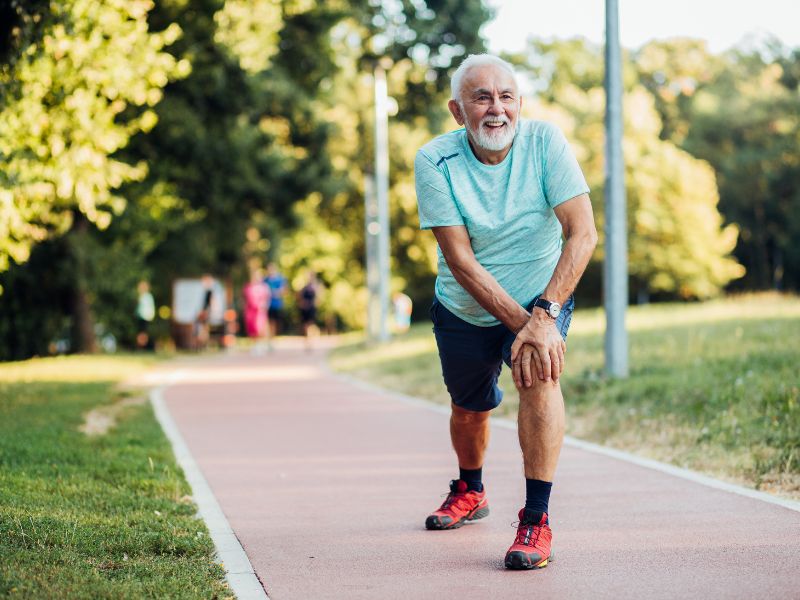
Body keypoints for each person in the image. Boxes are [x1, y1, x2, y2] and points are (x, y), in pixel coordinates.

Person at [414, 54, 597, 570]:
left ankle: (536, 520)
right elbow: (460, 259)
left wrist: (544, 318)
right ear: (458, 111)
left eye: (507, 96)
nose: (497, 109)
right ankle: (470, 489)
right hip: (464, 307)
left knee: (540, 378)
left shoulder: (545, 143)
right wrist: (527, 325)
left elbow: (582, 233)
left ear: (519, 103)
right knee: (469, 408)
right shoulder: (434, 160)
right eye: (482, 97)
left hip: (543, 294)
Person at [242, 269, 270, 340]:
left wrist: (264, 306)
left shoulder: (264, 287)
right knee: (252, 329)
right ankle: (255, 344)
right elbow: (245, 299)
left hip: (260, 312)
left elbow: (267, 298)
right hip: (251, 311)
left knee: (261, 327)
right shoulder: (248, 287)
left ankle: (262, 344)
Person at [296, 271, 320, 350]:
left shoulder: (315, 287)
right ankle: (307, 341)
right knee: (305, 325)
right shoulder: (304, 287)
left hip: (312, 308)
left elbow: (318, 297)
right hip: (305, 309)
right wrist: (302, 304)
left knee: (311, 325)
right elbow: (299, 297)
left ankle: (311, 340)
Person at [264, 262, 288, 339]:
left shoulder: (280, 279)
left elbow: (285, 290)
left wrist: (277, 292)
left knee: (275, 322)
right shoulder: (265, 280)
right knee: (268, 322)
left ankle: (272, 337)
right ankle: (269, 338)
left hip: (277, 304)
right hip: (267, 305)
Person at [135, 280, 156, 350]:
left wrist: (150, 316)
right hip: (140, 317)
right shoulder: (141, 296)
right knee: (141, 332)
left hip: (145, 317)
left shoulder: (147, 296)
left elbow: (150, 308)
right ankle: (142, 346)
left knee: (143, 333)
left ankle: (143, 346)